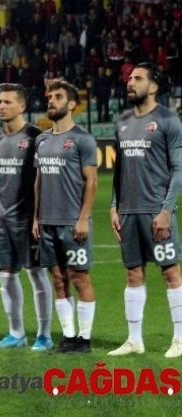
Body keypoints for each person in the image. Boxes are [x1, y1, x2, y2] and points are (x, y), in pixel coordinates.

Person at [108, 63, 182, 358]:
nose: (130, 82)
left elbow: (178, 169)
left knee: (170, 272)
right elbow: (119, 169)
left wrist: (166, 210)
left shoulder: (168, 120)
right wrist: (113, 206)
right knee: (133, 273)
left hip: (156, 211)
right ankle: (134, 340)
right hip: (128, 212)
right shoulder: (123, 121)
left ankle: (180, 339)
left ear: (153, 86)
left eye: (137, 78)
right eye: (129, 78)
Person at [0, 84, 54, 351]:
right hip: (2, 217)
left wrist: (39, 216)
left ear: (22, 106)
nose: (1, 106)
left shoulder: (36, 137)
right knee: (5, 275)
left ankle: (44, 335)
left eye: (7, 102)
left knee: (36, 273)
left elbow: (44, 179)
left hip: (28, 218)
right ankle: (16, 334)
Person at [32, 80, 97, 353]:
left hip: (72, 222)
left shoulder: (83, 139)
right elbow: (38, 180)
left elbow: (91, 182)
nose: (51, 100)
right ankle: (69, 337)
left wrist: (83, 218)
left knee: (80, 279)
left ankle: (84, 339)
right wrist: (36, 218)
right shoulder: (41, 140)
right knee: (58, 279)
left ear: (71, 104)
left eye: (58, 96)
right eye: (50, 96)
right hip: (47, 222)